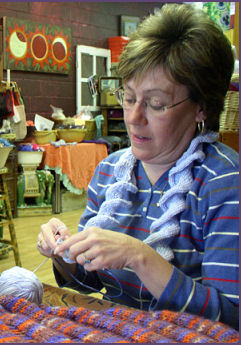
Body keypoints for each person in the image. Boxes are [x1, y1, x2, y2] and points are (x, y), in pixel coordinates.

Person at [37, 4, 238, 329]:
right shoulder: (109, 173)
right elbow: (88, 287)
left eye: (156, 104)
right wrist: (65, 254)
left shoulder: (224, 184)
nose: (133, 117)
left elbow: (231, 320)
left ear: (202, 107)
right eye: (128, 97)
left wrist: (140, 257)